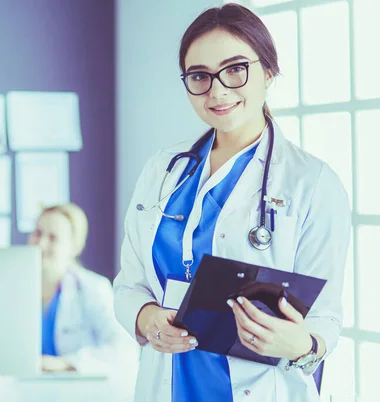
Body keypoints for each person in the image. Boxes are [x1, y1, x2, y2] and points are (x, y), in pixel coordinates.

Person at [113, 4, 351, 402]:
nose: (217, 90)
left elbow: (325, 317)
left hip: (260, 387)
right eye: (200, 76)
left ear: (268, 72)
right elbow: (127, 285)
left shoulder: (312, 183)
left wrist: (302, 345)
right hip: (167, 384)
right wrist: (146, 318)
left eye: (235, 69)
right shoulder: (162, 170)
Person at [28, 203, 138, 379]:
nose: (41, 244)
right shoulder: (15, 289)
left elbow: (124, 352)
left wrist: (64, 364)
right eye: (37, 234)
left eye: (53, 238)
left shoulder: (93, 289)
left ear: (75, 246)